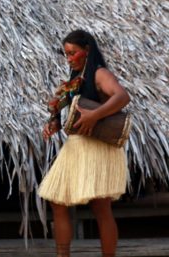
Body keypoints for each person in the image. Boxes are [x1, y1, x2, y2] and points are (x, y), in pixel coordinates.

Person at [39, 29, 131, 257]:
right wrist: (54, 122)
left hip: (97, 147)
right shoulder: (75, 80)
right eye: (66, 54)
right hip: (77, 146)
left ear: (87, 50)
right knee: (56, 200)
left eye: (73, 53)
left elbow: (122, 96)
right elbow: (73, 114)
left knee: (101, 207)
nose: (69, 59)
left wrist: (96, 115)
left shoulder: (100, 74)